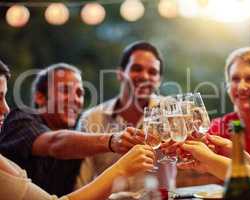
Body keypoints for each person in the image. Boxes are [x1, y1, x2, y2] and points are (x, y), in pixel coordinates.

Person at [0, 63, 144, 196]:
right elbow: (55, 143)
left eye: (79, 94)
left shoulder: (81, 138)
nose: (75, 99)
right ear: (40, 97)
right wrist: (112, 140)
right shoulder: (19, 121)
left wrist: (159, 146)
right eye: (65, 90)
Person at [76, 41, 168, 189]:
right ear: (120, 74)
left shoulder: (171, 112)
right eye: (136, 68)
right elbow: (82, 183)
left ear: (159, 80)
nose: (145, 76)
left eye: (152, 72)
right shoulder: (91, 118)